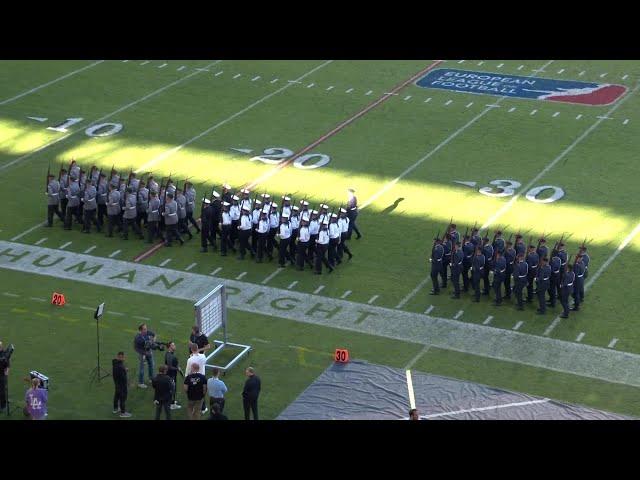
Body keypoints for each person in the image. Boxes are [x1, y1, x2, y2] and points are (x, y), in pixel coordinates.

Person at [185, 342, 208, 415]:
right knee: (202, 392)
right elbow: (204, 361)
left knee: (194, 392)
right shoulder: (203, 356)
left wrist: (186, 378)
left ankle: (195, 408)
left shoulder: (190, 359)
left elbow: (188, 371)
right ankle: (203, 408)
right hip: (202, 377)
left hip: (193, 377)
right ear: (198, 348)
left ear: (191, 350)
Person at [133, 323, 156, 388]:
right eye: (144, 329)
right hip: (142, 354)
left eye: (146, 328)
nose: (146, 330)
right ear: (141, 330)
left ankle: (151, 378)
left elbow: (154, 335)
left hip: (149, 352)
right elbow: (136, 348)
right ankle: (140, 383)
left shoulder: (147, 332)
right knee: (142, 369)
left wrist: (153, 341)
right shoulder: (138, 338)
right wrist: (143, 354)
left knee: (151, 365)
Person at [112, 351, 132, 417]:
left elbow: (119, 366)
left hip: (116, 383)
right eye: (123, 357)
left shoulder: (114, 362)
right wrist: (128, 383)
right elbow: (124, 378)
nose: (124, 358)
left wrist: (124, 369)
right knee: (123, 398)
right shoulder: (121, 367)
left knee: (116, 396)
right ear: (122, 357)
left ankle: (115, 409)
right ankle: (123, 413)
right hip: (122, 385)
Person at [164, 342, 182, 410]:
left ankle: (172, 401)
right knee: (172, 389)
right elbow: (169, 366)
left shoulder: (170, 354)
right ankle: (172, 404)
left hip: (172, 374)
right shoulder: (169, 355)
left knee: (172, 389)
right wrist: (177, 368)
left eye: (174, 345)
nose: (175, 346)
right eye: (173, 345)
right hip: (171, 375)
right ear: (169, 347)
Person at [0, 342, 9, 412]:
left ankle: (3, 406)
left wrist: (6, 371)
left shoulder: (4, 355)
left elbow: (7, 365)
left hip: (2, 375)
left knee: (2, 391)